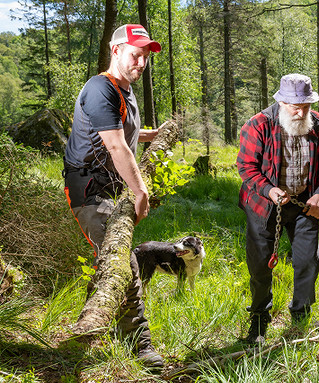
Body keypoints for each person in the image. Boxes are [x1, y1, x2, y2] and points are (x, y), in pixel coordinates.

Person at [63, 24, 163, 368]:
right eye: (136, 54)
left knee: (109, 261)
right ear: (115, 50)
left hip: (110, 186)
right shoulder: (100, 89)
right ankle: (141, 343)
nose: (141, 62)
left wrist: (156, 135)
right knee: (124, 264)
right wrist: (141, 191)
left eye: (146, 57)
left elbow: (126, 132)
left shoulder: (124, 89)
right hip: (89, 190)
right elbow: (116, 144)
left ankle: (87, 324)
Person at [236, 73, 319, 344]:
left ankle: (301, 316)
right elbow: (246, 168)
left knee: (307, 262)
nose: (301, 112)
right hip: (263, 206)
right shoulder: (258, 125)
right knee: (259, 266)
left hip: (304, 206)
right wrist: (269, 190)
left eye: (306, 106)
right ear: (281, 102)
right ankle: (259, 318)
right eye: (295, 107)